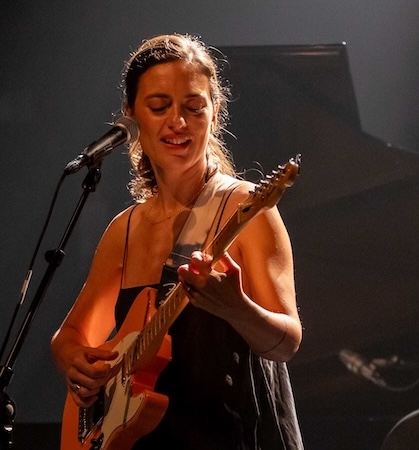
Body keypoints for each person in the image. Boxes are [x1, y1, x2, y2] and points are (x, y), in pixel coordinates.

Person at [50, 33, 304, 450]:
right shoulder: (124, 230)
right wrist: (73, 360)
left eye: (193, 107)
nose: (177, 122)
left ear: (215, 114)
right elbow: (72, 334)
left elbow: (287, 342)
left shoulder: (247, 209)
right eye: (158, 107)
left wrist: (237, 308)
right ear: (131, 117)